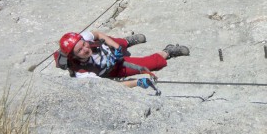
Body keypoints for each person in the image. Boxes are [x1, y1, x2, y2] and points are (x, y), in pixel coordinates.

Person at [59, 30, 189, 88]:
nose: (85, 49)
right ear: (74, 56)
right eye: (80, 51)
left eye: (84, 45)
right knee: (148, 64)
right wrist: (137, 83)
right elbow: (110, 86)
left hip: (109, 53)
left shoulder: (83, 38)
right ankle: (168, 51)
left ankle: (126, 41)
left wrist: (117, 48)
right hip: (112, 70)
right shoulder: (82, 73)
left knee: (114, 42)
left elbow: (97, 34)